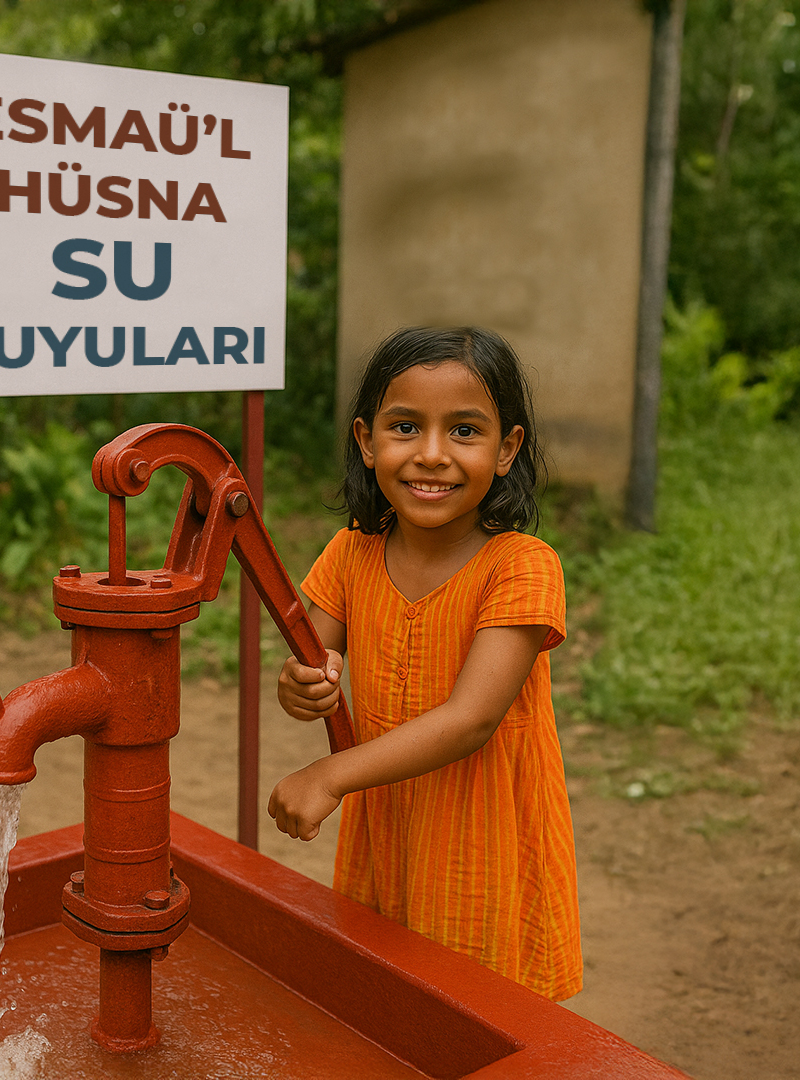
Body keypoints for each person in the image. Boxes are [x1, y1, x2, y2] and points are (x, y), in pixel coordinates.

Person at [268, 326, 582, 1001]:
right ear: (366, 440)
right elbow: (310, 660)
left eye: (464, 431)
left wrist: (329, 773)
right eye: (405, 426)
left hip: (484, 845)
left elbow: (471, 719)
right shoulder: (353, 551)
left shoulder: (523, 568)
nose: (431, 455)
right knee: (390, 1001)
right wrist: (304, 686)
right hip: (390, 835)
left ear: (507, 449)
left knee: (478, 1011)